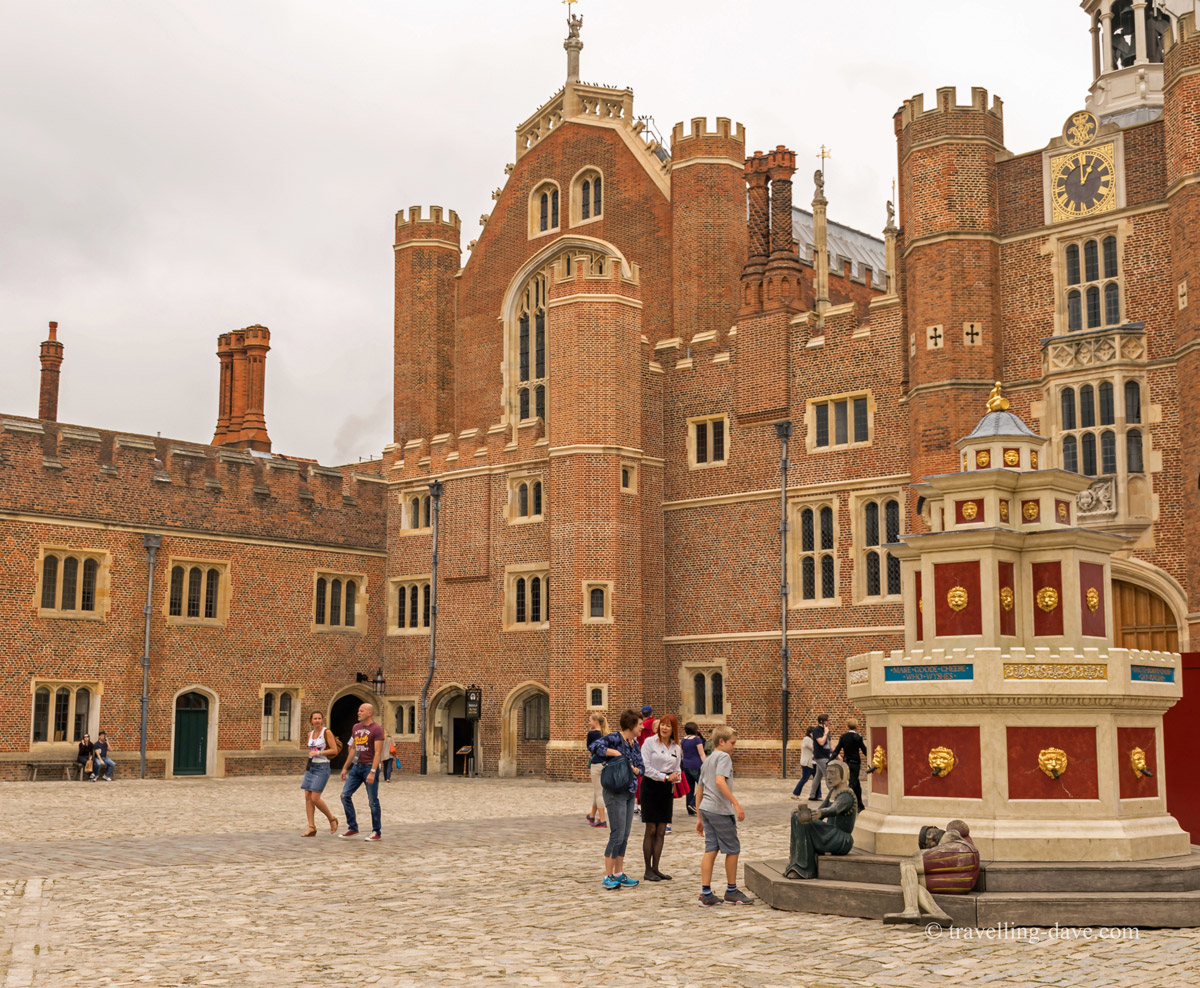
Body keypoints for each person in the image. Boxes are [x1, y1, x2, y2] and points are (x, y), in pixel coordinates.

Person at [694, 725, 754, 906]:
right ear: (722, 741)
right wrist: (736, 804)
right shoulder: (724, 757)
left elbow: (699, 789)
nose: (734, 747)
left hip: (706, 808)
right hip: (719, 810)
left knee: (711, 848)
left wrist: (699, 816)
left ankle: (706, 893)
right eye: (732, 743)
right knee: (733, 849)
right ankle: (731, 890)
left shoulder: (708, 760)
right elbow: (720, 781)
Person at [589, 709, 645, 889]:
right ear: (631, 725)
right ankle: (608, 875)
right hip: (614, 792)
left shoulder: (635, 744)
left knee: (625, 834)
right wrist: (614, 753)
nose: (642, 727)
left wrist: (636, 770)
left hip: (629, 792)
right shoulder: (614, 738)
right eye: (640, 724)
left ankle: (619, 873)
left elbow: (642, 767)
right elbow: (594, 747)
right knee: (616, 834)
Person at [784, 760, 857, 879]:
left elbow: (834, 809)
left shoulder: (847, 795)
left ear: (843, 775)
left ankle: (804, 868)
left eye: (833, 773)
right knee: (797, 818)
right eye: (827, 773)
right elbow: (821, 809)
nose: (828, 777)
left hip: (842, 839)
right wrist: (804, 813)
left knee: (806, 824)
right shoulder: (833, 792)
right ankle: (796, 863)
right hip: (831, 834)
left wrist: (819, 813)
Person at [640, 713, 682, 882]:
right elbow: (645, 767)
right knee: (651, 829)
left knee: (661, 831)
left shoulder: (676, 747)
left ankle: (656, 868)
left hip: (666, 789)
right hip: (650, 786)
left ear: (673, 729)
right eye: (662, 725)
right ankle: (647, 869)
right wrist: (665, 777)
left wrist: (676, 776)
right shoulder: (649, 742)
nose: (664, 728)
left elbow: (678, 767)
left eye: (668, 725)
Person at [339, 702, 384, 841]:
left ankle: (376, 831)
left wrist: (373, 771)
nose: (358, 713)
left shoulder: (377, 729)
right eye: (358, 710)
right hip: (357, 767)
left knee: (372, 801)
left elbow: (378, 753)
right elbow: (354, 749)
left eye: (361, 711)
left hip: (369, 767)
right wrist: (346, 767)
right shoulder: (356, 727)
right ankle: (353, 827)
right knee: (344, 795)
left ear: (369, 713)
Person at [301, 710, 339, 836]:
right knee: (307, 796)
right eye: (315, 718)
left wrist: (319, 753)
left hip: (322, 767)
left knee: (315, 798)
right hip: (311, 766)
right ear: (311, 720)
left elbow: (334, 750)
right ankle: (311, 826)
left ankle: (332, 819)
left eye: (319, 718)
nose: (317, 720)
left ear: (322, 720)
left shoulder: (326, 732)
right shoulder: (310, 734)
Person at [831, 719, 869, 811]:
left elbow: (837, 750)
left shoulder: (843, 737)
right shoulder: (857, 737)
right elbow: (864, 750)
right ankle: (847, 805)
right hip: (855, 763)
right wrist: (870, 756)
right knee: (853, 783)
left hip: (847, 763)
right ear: (856, 727)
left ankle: (860, 805)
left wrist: (830, 759)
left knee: (856, 784)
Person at [586, 712, 608, 829]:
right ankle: (592, 815)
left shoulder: (592, 734)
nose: (589, 722)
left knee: (599, 793)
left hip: (596, 764)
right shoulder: (605, 733)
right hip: (605, 764)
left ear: (595, 721)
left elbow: (589, 748)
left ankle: (603, 820)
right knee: (597, 790)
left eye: (590, 720)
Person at [680, 722, 706, 816]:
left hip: (686, 766)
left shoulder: (683, 740)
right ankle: (693, 803)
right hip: (696, 766)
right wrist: (706, 764)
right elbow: (701, 753)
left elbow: (682, 755)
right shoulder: (697, 740)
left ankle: (689, 809)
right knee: (704, 785)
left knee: (689, 788)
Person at [806, 714, 832, 801]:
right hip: (820, 756)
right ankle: (834, 794)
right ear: (822, 721)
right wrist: (825, 733)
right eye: (827, 720)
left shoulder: (827, 730)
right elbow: (821, 742)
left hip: (826, 755)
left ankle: (812, 795)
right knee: (827, 775)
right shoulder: (817, 730)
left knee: (818, 776)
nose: (829, 722)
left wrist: (838, 755)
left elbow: (830, 745)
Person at [790, 733, 815, 800]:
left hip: (812, 763)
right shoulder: (807, 739)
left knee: (816, 779)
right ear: (811, 733)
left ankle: (817, 795)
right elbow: (814, 748)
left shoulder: (811, 740)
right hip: (807, 763)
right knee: (804, 779)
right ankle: (795, 794)